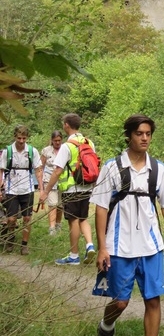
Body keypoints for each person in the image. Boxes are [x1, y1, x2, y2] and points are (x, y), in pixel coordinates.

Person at [90, 114, 164, 336]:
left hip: (151, 246)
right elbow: (101, 208)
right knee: (120, 302)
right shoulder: (112, 168)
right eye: (139, 133)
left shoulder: (158, 168)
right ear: (128, 135)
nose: (144, 138)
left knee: (153, 298)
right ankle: (106, 330)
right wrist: (103, 248)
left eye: (148, 134)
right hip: (119, 247)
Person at [39, 113, 96, 265]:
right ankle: (90, 244)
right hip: (87, 187)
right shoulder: (89, 143)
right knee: (83, 218)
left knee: (73, 220)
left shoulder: (67, 146)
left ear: (66, 125)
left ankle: (74, 255)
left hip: (71, 189)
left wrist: (45, 191)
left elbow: (57, 171)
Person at [0, 125, 43, 255]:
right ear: (15, 137)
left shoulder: (32, 151)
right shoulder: (7, 151)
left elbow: (38, 169)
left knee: (27, 218)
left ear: (27, 138)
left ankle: (24, 245)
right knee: (12, 218)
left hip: (27, 189)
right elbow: (1, 170)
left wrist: (41, 188)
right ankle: (11, 239)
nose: (21, 141)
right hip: (11, 188)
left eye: (24, 138)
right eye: (19, 138)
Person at [40, 130, 64, 235]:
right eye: (55, 141)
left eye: (59, 140)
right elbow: (41, 167)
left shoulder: (65, 149)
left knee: (60, 205)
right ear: (52, 140)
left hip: (62, 181)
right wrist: (40, 184)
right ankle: (52, 227)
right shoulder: (46, 151)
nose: (57, 143)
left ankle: (58, 224)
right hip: (49, 179)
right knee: (52, 204)